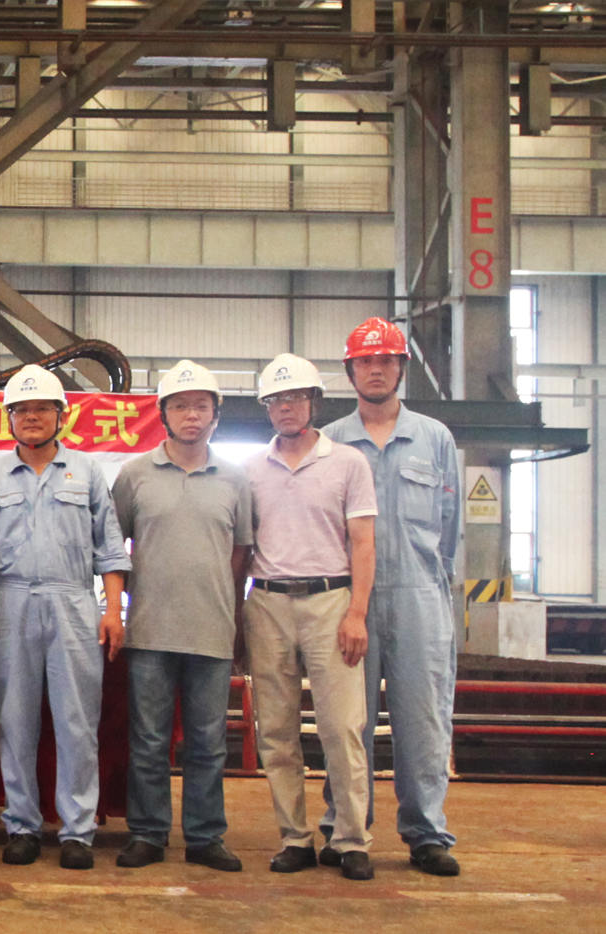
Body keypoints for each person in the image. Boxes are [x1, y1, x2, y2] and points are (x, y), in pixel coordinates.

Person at [321, 318, 463, 877]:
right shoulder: (329, 441)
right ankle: (345, 828)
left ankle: (426, 833)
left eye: (385, 360)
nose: (375, 370)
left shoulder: (435, 438)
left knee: (423, 719)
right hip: (347, 600)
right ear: (350, 371)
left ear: (402, 368)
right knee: (346, 721)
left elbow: (449, 528)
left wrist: (431, 586)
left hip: (419, 597)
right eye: (365, 361)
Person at [0, 364, 130, 871]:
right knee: (15, 719)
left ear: (60, 416)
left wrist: (113, 610)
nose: (32, 417)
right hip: (11, 601)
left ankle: (77, 832)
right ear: (9, 418)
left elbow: (109, 547)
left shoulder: (86, 472)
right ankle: (22, 826)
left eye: (42, 409)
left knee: (77, 721)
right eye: (21, 410)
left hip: (73, 603)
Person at [110, 360, 251, 873]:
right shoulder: (134, 475)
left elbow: (240, 553)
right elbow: (113, 549)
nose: (192, 415)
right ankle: (147, 833)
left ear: (216, 415)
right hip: (149, 631)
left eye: (201, 406)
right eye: (180, 406)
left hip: (212, 632)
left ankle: (205, 836)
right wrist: (121, 609)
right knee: (148, 740)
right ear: (163, 413)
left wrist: (232, 617)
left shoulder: (235, 478)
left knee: (208, 742)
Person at [242, 352, 377, 881]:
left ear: (314, 402)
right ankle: (294, 838)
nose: (286, 407)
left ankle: (350, 839)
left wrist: (357, 613)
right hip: (268, 603)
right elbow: (241, 548)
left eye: (296, 397)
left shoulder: (347, 463)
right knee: (276, 730)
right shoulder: (251, 470)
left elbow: (362, 542)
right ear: (266, 408)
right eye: (276, 399)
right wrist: (237, 614)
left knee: (341, 727)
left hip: (330, 602)